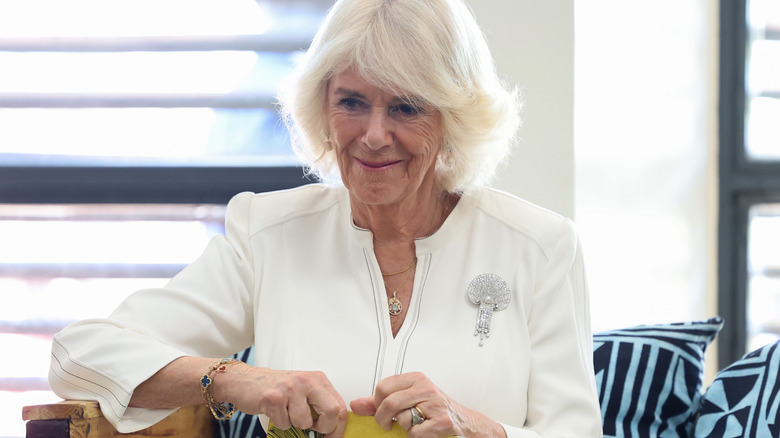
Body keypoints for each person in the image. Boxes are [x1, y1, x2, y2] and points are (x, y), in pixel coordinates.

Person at [48, 0, 603, 437]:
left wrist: (479, 429)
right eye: (353, 102)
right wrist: (238, 381)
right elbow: (81, 353)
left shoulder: (540, 247)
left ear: (454, 117)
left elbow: (575, 433)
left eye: (406, 106)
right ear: (322, 108)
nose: (374, 134)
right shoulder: (267, 235)